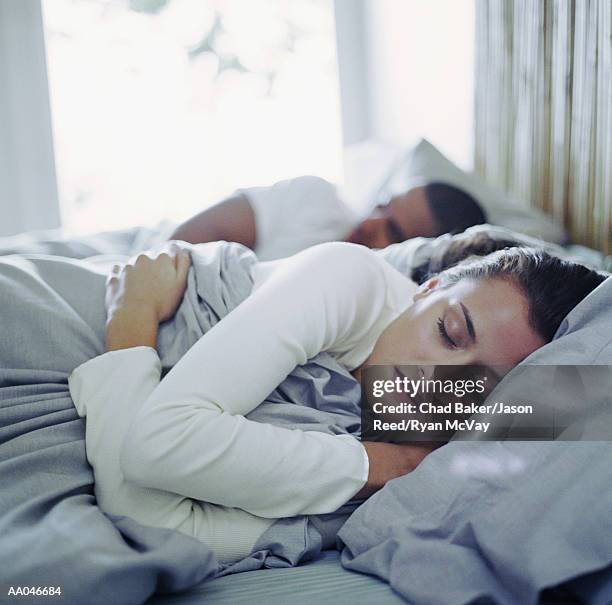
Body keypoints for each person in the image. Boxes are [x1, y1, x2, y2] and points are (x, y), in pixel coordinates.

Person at [68, 242, 607, 564]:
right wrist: (134, 321)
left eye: (481, 388)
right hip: (71, 313)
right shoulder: (349, 280)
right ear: (429, 287)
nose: (435, 384)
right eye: (448, 333)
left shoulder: (430, 463)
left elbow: (150, 527)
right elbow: (157, 446)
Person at [170, 177, 486, 260]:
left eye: (393, 231)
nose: (369, 223)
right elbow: (187, 238)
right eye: (382, 206)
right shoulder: (316, 198)